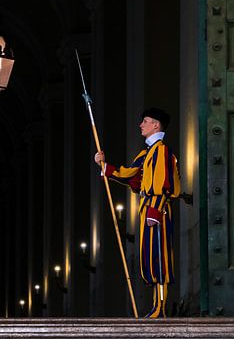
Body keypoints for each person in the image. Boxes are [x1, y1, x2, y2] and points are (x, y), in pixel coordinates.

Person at [94, 107, 180, 318]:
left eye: (145, 121)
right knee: (150, 260)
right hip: (147, 210)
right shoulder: (146, 153)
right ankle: (155, 306)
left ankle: (160, 307)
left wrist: (154, 211)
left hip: (156, 210)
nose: (141, 125)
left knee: (160, 261)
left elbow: (164, 183)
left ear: (156, 125)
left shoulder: (161, 151)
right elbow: (130, 176)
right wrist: (104, 165)